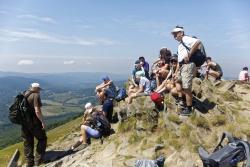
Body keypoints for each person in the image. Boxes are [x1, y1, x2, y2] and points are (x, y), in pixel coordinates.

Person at [171, 26, 202, 116]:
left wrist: (189, 55)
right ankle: (181, 100)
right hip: (182, 66)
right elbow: (179, 60)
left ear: (181, 33)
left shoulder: (185, 38)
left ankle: (189, 108)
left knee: (186, 87)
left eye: (176, 34)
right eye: (174, 35)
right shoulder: (180, 44)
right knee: (178, 80)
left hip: (187, 65)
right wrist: (176, 71)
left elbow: (198, 42)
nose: (174, 36)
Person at [22, 83, 47, 167]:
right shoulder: (35, 95)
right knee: (42, 139)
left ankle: (29, 163)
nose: (40, 90)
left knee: (28, 142)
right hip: (34, 123)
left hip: (24, 123)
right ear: (36, 88)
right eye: (39, 89)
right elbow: (37, 111)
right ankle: (38, 161)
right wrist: (42, 121)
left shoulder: (24, 93)